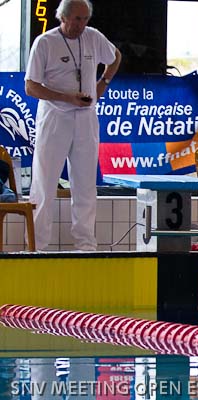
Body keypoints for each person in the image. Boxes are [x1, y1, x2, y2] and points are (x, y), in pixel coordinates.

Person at [25, 0, 121, 251]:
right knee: (44, 184)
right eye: (77, 19)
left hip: (86, 118)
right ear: (63, 17)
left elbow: (115, 57)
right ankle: (37, 246)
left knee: (85, 185)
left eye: (86, 19)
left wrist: (102, 84)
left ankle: (86, 245)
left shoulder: (93, 37)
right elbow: (31, 87)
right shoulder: (45, 42)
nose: (82, 24)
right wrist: (67, 98)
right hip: (55, 118)